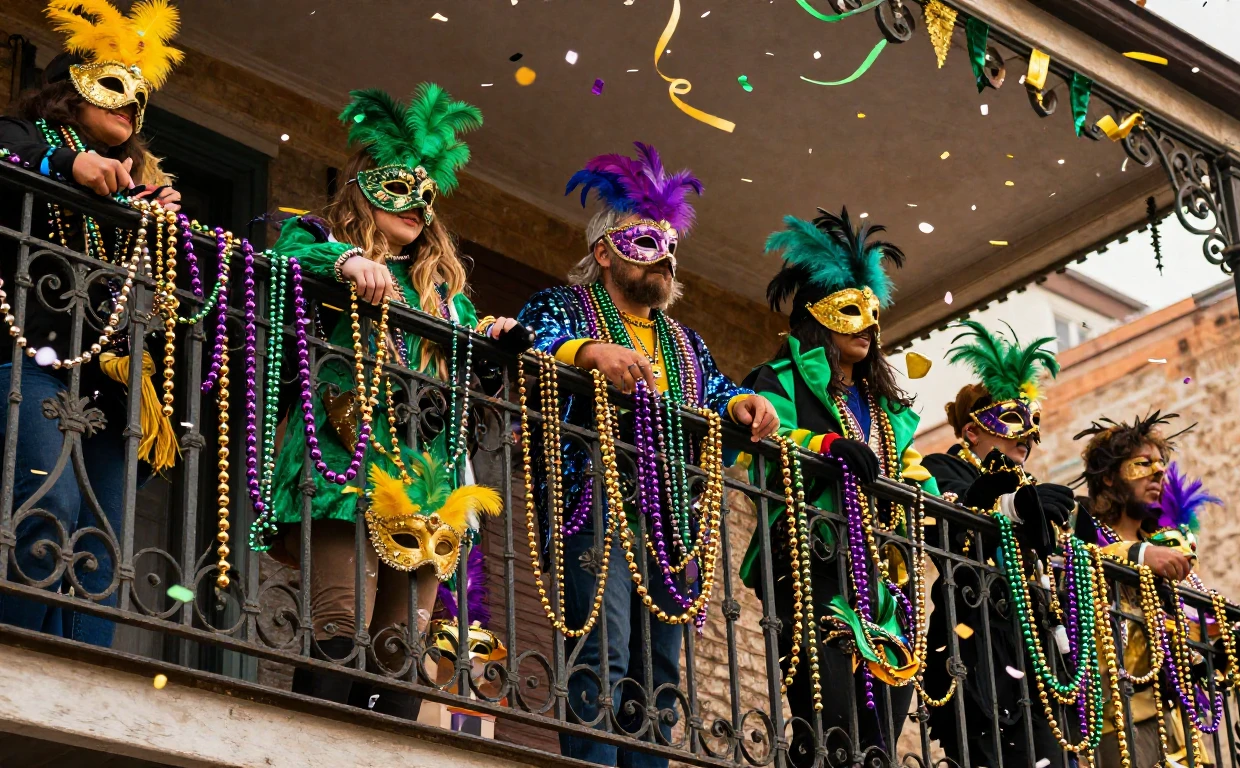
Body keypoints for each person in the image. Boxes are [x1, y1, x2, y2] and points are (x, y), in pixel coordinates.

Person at [261, 83, 529, 720]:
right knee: (341, 617)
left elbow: (469, 371)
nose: (416, 206)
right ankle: (313, 751)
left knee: (401, 646)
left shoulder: (446, 295)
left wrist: (487, 336)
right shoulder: (318, 238)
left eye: (427, 195)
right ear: (363, 188)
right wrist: (347, 261)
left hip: (427, 475)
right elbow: (284, 257)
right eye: (398, 188)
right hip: (344, 454)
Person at [517, 141, 777, 768]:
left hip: (669, 514)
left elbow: (714, 390)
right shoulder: (567, 306)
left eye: (669, 245)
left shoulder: (685, 341)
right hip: (593, 499)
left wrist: (744, 402)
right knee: (601, 651)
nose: (662, 257)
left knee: (658, 669)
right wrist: (587, 353)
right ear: (603, 253)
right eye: (644, 243)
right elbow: (528, 338)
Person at [0, 0, 185, 648]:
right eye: (113, 85)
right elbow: (7, 151)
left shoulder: (133, 192)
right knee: (47, 511)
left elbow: (165, 308)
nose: (128, 103)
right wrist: (63, 165)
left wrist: (162, 232)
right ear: (66, 91)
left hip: (111, 387)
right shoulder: (25, 143)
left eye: (138, 98)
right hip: (32, 363)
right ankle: (16, 667)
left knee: (102, 542)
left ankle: (79, 678)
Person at [737, 206, 939, 766]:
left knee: (884, 722)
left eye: (873, 313)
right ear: (817, 318)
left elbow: (915, 473)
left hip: (879, 573)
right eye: (850, 311)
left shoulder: (887, 409)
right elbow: (766, 438)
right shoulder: (778, 380)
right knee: (829, 722)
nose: (868, 325)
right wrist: (826, 447)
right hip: (810, 556)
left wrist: (935, 503)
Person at [1074, 412, 1240, 768]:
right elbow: (1070, 562)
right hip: (1119, 722)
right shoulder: (1081, 530)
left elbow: (1197, 641)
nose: (1158, 472)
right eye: (1142, 464)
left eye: (1160, 464)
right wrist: (1140, 555)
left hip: (1177, 726)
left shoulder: (1167, 553)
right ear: (1110, 478)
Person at [919, 320, 1073, 768]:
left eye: (1031, 424)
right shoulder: (942, 468)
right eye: (1010, 421)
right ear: (972, 431)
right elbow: (948, 521)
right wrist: (1011, 504)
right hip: (974, 632)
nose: (1025, 435)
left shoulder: (1034, 491)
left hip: (1032, 640)